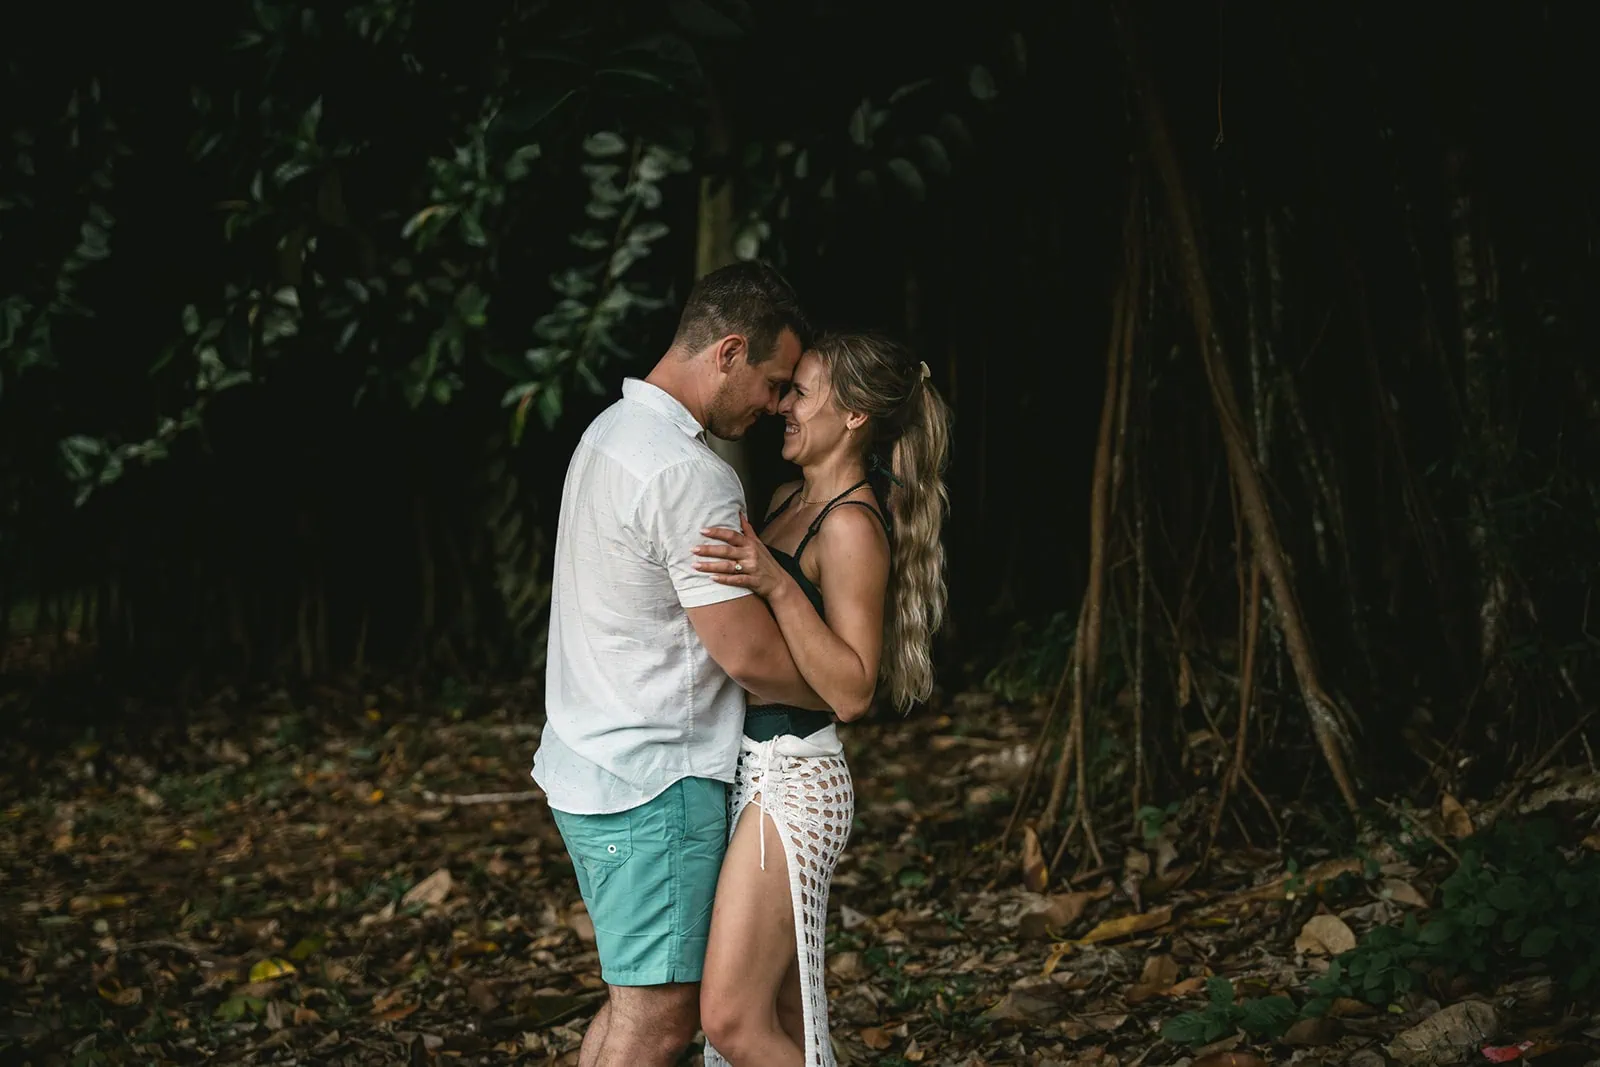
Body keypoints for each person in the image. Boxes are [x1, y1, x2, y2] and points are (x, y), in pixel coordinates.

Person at [531, 261, 830, 1067]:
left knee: (636, 1000)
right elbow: (750, 655)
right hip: (653, 780)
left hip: (596, 760)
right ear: (729, 351)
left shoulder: (611, 434)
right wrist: (842, 689)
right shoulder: (688, 474)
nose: (774, 406)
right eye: (772, 382)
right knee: (659, 1019)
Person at [691, 332, 952, 1067]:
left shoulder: (849, 525)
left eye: (801, 392)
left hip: (795, 785)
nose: (784, 407)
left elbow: (854, 687)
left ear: (856, 415)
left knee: (731, 1020)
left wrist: (774, 582)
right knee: (782, 1020)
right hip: (752, 771)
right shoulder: (786, 501)